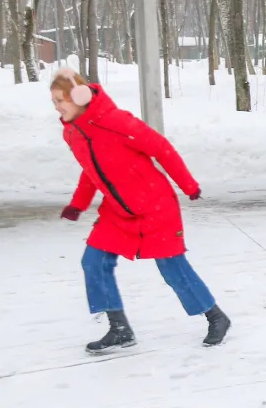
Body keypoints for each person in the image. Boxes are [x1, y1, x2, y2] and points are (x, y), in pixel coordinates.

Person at [52, 67, 230, 353]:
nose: (58, 108)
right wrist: (78, 204)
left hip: (154, 207)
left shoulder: (116, 121)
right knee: (93, 262)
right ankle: (119, 328)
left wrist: (188, 185)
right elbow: (91, 171)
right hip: (116, 212)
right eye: (54, 102)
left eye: (62, 100)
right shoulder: (73, 133)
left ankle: (216, 316)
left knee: (172, 269)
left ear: (80, 96)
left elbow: (161, 147)